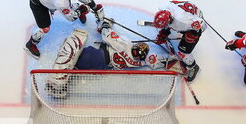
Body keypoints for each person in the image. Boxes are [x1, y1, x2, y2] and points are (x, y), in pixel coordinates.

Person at [45, 19, 175, 98]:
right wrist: (173, 61)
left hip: (97, 56)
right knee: (78, 66)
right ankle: (66, 78)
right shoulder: (141, 61)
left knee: (73, 52)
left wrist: (105, 25)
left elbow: (107, 35)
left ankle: (58, 82)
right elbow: (159, 61)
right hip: (103, 68)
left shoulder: (125, 44)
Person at [24, 0, 104, 59]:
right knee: (45, 28)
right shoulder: (61, 3)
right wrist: (83, 9)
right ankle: (30, 45)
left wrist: (95, 7)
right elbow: (71, 18)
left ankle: (80, 10)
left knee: (72, 8)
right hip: (38, 4)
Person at [152, 0, 207, 82]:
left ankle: (193, 67)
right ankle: (167, 32)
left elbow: (202, 24)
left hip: (196, 21)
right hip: (188, 12)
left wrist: (192, 36)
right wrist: (163, 34)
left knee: (182, 52)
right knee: (168, 28)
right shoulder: (163, 7)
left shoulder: (182, 22)